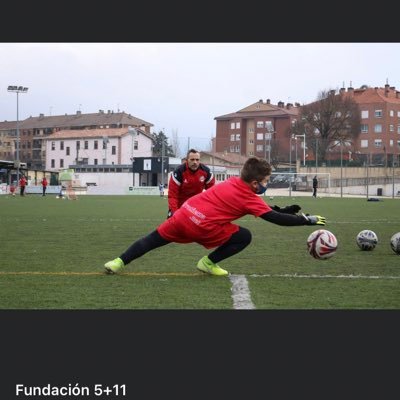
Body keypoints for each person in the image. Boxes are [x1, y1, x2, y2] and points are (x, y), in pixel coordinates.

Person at [104, 157, 326, 276]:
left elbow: (268, 210)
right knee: (244, 236)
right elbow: (274, 219)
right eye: (266, 182)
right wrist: (305, 220)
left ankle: (118, 262)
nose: (266, 186)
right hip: (201, 225)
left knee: (152, 240)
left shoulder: (232, 182)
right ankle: (208, 263)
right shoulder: (249, 196)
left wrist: (284, 209)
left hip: (185, 213)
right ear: (255, 183)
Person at [167, 149, 215, 218]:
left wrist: (210, 209)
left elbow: (212, 193)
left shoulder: (206, 172)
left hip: (196, 207)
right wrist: (174, 212)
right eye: (192, 159)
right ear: (186, 160)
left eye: (197, 160)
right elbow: (172, 195)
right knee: (171, 226)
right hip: (180, 206)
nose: (195, 162)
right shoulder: (179, 172)